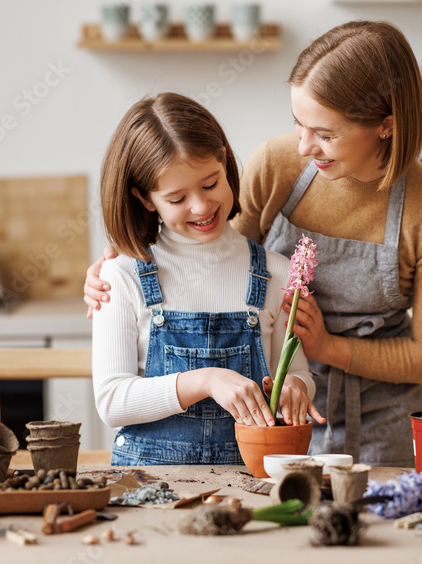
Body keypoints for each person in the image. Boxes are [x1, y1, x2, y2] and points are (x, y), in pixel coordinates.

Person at [87, 21, 422, 467]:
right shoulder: (278, 165)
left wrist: (327, 349)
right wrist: (122, 265)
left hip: (381, 420)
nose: (305, 146)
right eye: (298, 124)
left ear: (385, 126)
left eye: (325, 134)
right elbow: (216, 257)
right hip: (271, 417)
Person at [93, 93, 323, 466]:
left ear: (225, 161)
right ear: (146, 199)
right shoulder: (120, 276)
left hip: (249, 490)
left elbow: (296, 372)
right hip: (149, 493)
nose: (200, 206)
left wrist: (296, 388)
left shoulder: (278, 272)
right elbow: (112, 402)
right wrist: (206, 381)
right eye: (177, 197)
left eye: (211, 183)